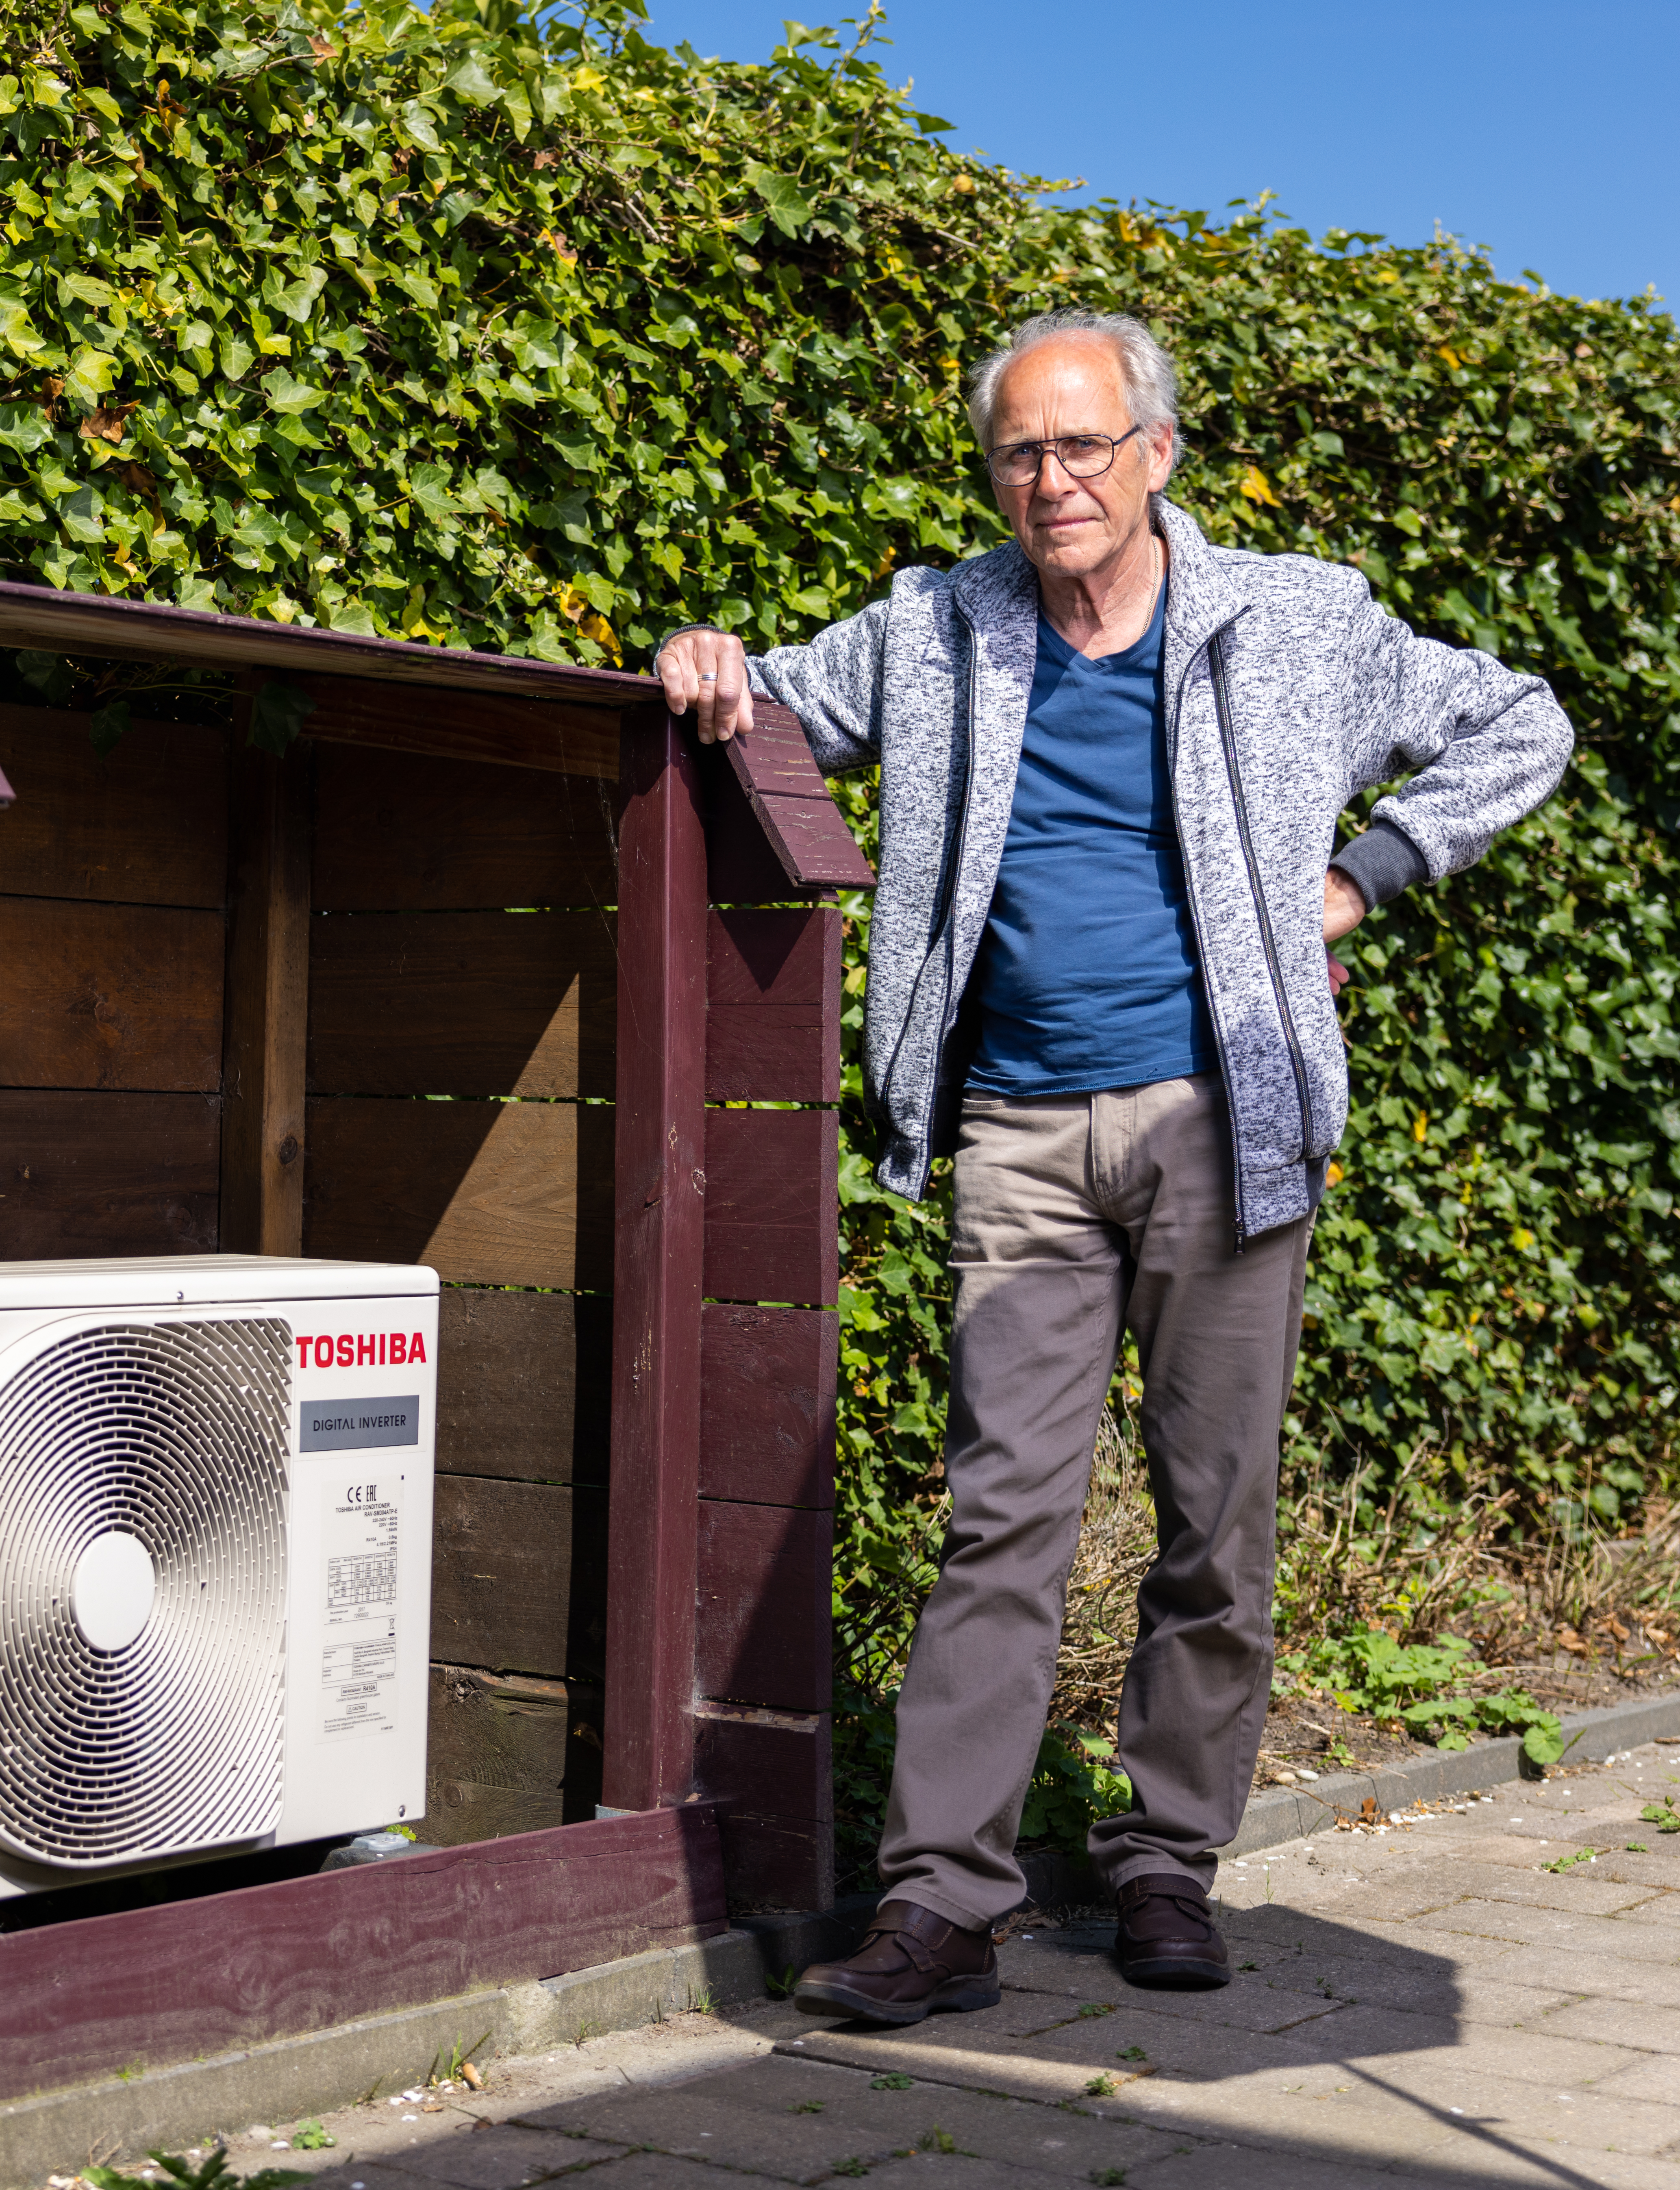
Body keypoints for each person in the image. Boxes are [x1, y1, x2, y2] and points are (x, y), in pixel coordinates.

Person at [656, 307, 1572, 2019]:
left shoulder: (1297, 620)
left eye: (1084, 446)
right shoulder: (938, 630)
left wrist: (1365, 872)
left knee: (1214, 1520)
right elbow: (765, 701)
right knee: (1000, 1519)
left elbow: (1522, 725)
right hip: (1017, 1128)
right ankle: (943, 1909)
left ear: (1156, 454)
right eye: (1021, 450)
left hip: (1227, 1119)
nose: (1052, 480)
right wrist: (716, 657)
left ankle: (1168, 1865)